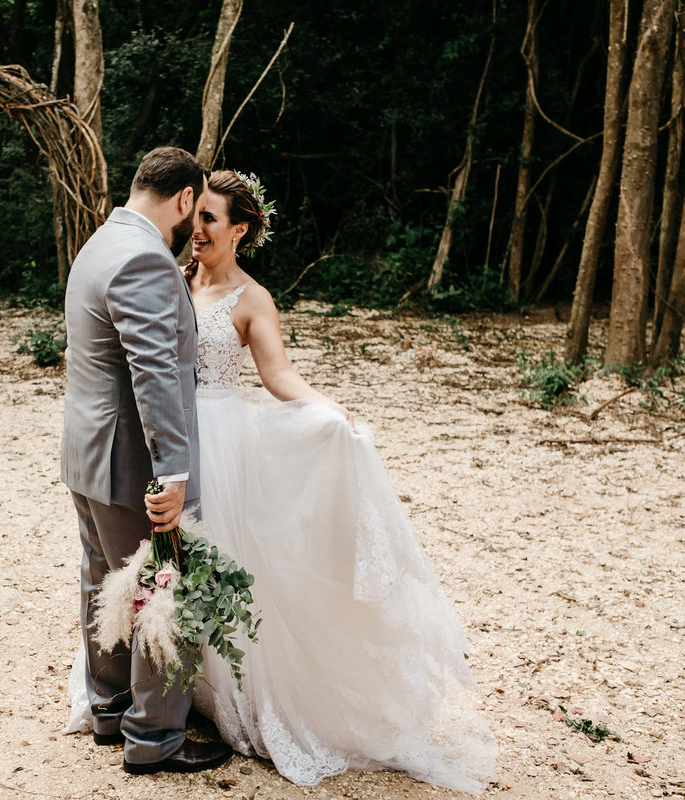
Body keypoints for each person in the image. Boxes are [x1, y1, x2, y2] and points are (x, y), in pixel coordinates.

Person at [68, 169, 497, 793]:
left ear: (239, 229)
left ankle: (164, 713)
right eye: (198, 217)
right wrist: (171, 462)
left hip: (213, 447)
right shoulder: (167, 274)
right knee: (146, 575)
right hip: (166, 448)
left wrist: (330, 413)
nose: (197, 230)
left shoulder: (251, 297)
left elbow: (279, 376)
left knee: (180, 576)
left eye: (211, 220)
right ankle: (151, 719)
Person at [60, 146, 233, 776]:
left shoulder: (99, 243)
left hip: (86, 455)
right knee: (166, 586)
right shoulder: (145, 259)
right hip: (132, 462)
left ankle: (109, 710)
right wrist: (174, 469)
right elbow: (154, 372)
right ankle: (154, 738)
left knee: (105, 580)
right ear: (186, 199)